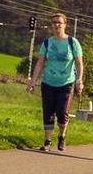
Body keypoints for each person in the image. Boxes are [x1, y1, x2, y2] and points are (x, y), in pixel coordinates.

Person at [27, 13, 84, 152]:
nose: (56, 25)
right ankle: (47, 140)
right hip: (48, 82)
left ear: (65, 25)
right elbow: (40, 62)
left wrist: (79, 80)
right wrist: (33, 81)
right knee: (48, 112)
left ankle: (62, 136)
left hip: (67, 82)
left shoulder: (73, 42)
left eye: (59, 22)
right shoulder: (47, 42)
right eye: (54, 22)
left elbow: (79, 63)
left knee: (62, 111)